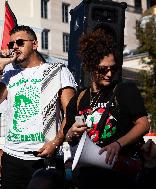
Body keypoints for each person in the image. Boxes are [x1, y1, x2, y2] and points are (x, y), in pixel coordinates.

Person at [0, 25, 77, 189]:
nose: (14, 47)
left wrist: (55, 142)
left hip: (44, 156)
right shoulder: (9, 74)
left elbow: (71, 112)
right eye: (11, 44)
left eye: (20, 42)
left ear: (34, 44)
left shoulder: (57, 71)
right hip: (14, 157)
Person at [63, 28, 150, 189]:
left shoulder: (125, 90)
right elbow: (69, 136)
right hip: (88, 177)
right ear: (90, 66)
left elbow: (144, 124)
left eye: (113, 68)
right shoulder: (79, 98)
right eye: (103, 69)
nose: (110, 74)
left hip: (121, 174)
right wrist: (71, 133)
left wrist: (118, 144)